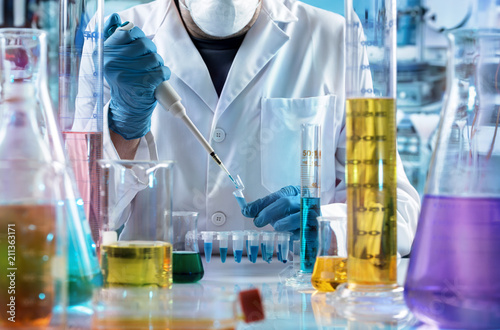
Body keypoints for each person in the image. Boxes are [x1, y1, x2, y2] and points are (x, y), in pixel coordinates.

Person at [76, 0, 420, 256]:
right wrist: (124, 126)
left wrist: (329, 229)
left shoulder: (334, 35)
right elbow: (83, 221)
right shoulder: (116, 39)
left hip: (290, 305)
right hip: (154, 297)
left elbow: (398, 212)